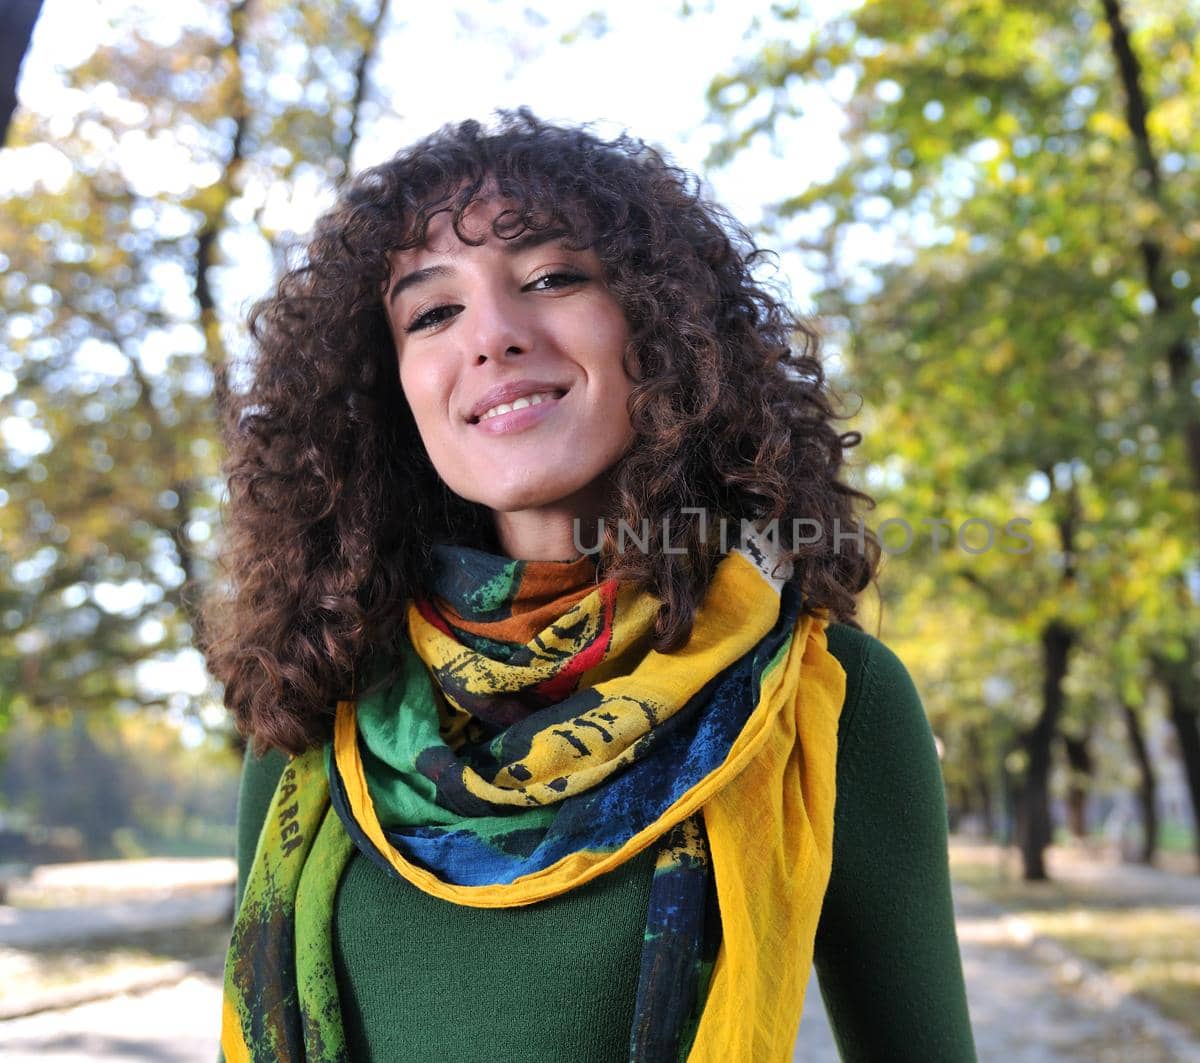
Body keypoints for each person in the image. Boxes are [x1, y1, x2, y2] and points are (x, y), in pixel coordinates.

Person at [205, 108, 976, 1063]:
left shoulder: (826, 703)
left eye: (552, 278)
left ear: (663, 327)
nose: (492, 336)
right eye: (433, 312)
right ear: (387, 386)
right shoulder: (317, 716)